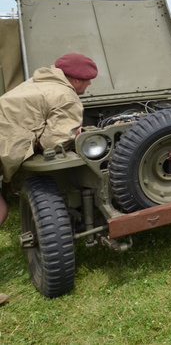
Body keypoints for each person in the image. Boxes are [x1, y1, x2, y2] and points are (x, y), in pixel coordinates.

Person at [0, 52, 98, 307]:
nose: (88, 86)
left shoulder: (35, 82)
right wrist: (75, 134)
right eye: (87, 81)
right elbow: (52, 142)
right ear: (75, 80)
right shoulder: (66, 95)